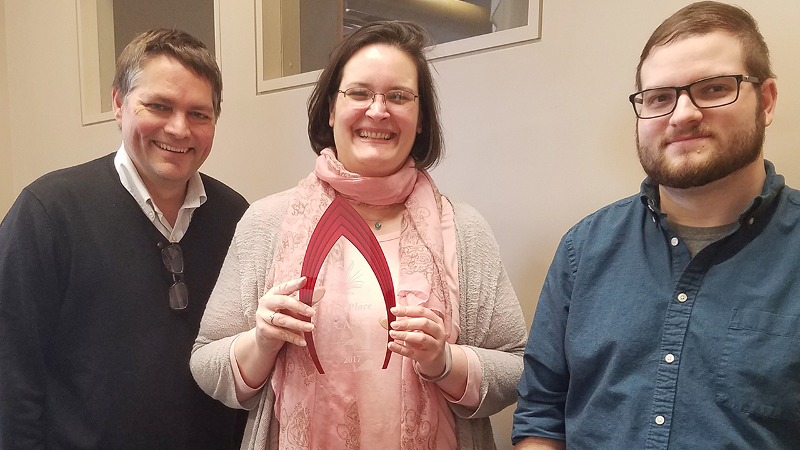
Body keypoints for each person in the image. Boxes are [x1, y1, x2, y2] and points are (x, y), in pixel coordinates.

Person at [190, 21, 527, 450]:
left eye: (399, 96)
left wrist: (444, 362)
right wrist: (263, 341)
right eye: (360, 93)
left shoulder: (462, 229)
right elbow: (206, 362)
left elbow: (516, 366)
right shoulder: (267, 222)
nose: (378, 110)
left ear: (421, 119)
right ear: (331, 109)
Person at [512, 1, 799, 449]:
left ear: (766, 101)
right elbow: (541, 415)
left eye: (713, 88)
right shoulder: (583, 250)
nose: (682, 114)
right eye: (660, 97)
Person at [0, 29, 249, 449]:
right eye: (158, 105)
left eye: (198, 114)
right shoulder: (48, 212)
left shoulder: (238, 218)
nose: (178, 128)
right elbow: (10, 374)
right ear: (119, 103)